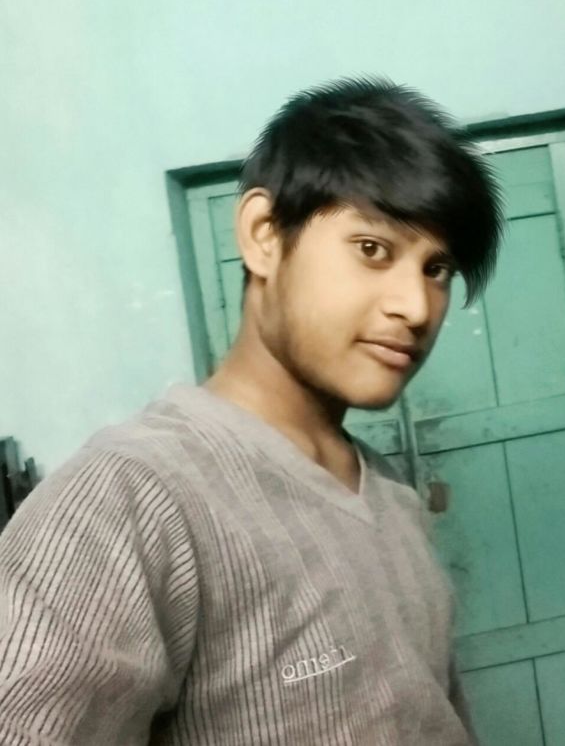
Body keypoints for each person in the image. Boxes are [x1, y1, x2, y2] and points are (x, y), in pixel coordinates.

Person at [0, 76, 502, 745]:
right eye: (373, 249)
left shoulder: (389, 495)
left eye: (436, 269)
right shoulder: (127, 498)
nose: (415, 307)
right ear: (264, 235)